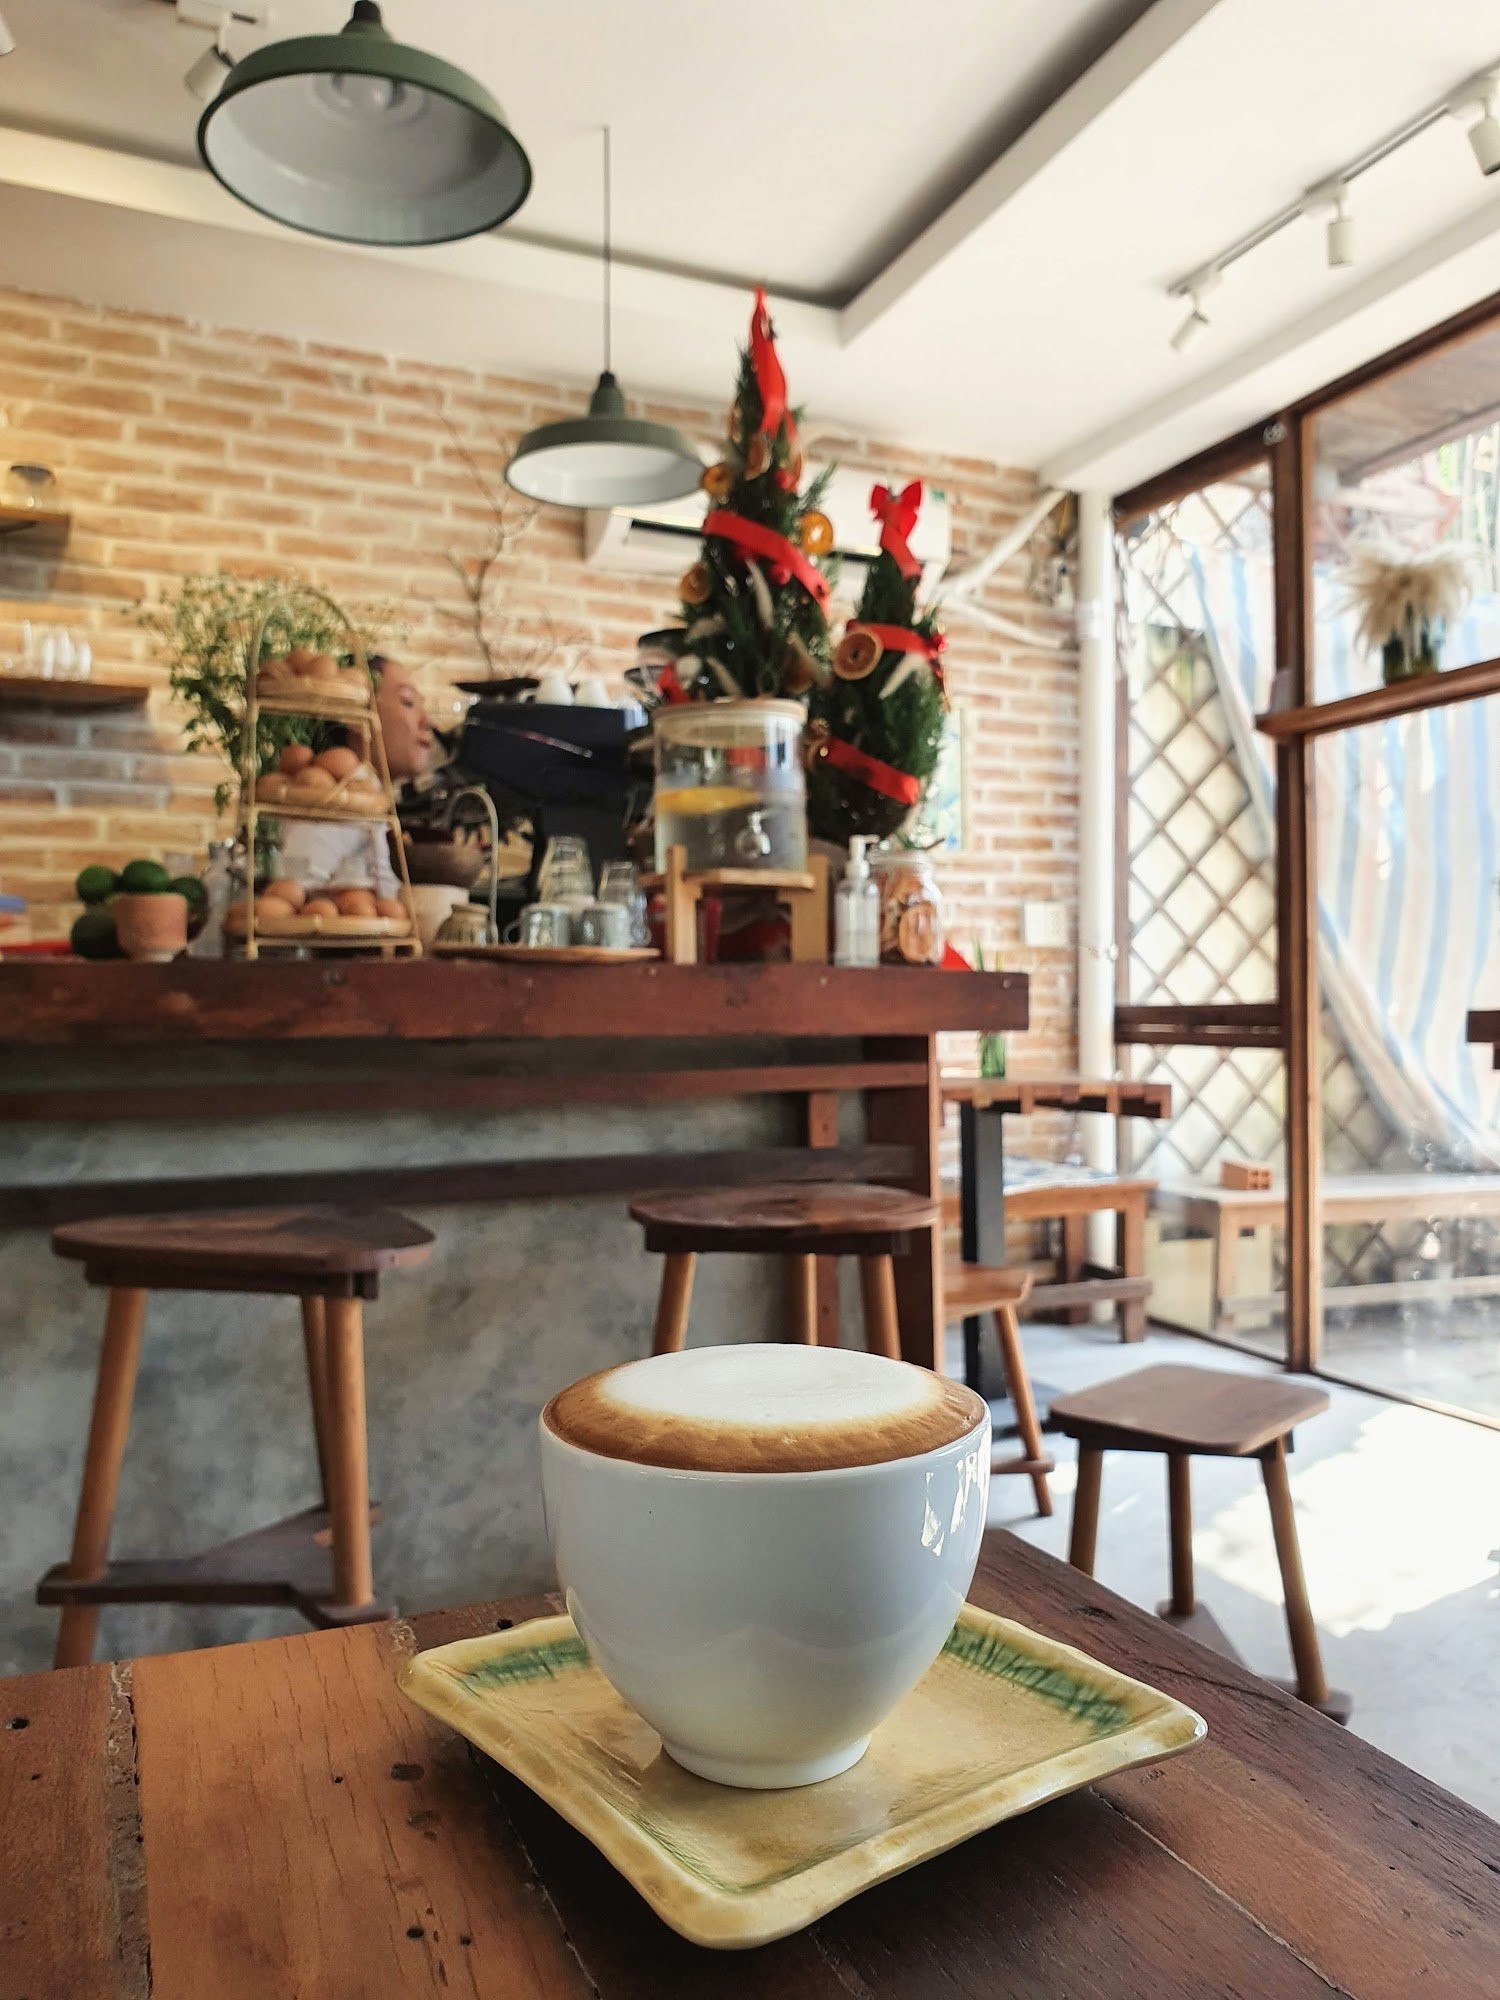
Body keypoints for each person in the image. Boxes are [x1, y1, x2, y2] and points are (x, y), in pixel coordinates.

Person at [274, 655, 435, 896]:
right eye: (408, 702)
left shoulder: (366, 794)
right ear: (355, 718)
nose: (427, 722)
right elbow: (290, 897)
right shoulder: (336, 799)